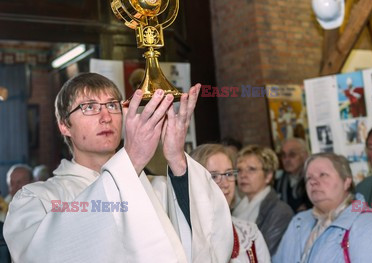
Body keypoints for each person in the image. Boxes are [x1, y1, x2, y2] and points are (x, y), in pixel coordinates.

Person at [4, 72, 232, 263]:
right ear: (64, 125)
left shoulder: (158, 188)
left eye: (112, 105)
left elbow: (209, 241)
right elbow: (43, 254)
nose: (106, 117)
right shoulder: (38, 200)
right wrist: (130, 162)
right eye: (89, 107)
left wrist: (176, 159)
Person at [273, 153, 372, 263]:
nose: (313, 182)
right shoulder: (298, 222)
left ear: (347, 181)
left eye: (323, 175)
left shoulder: (369, 226)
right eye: (309, 178)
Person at [191, 143, 271, 263]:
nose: (225, 183)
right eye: (214, 176)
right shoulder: (184, 235)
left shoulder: (250, 235)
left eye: (228, 174)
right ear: (194, 180)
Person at [233, 145, 293, 255]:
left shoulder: (281, 212)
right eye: (240, 170)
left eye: (251, 169)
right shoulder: (235, 208)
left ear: (268, 176)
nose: (243, 175)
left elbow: (265, 254)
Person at [275, 138, 312, 213]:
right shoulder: (277, 181)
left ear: (305, 156)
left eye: (292, 155)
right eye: (283, 155)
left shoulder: (312, 180)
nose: (287, 159)